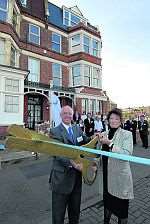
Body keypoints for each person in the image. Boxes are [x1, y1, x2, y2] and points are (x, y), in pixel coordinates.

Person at [49, 105, 92, 224]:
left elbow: (86, 140)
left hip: (77, 179)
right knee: (58, 216)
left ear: (72, 115)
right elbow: (57, 153)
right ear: (61, 115)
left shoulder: (77, 128)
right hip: (61, 180)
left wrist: (95, 138)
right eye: (65, 113)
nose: (67, 115)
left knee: (75, 213)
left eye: (69, 113)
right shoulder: (54, 131)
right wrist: (72, 163)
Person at [99, 108, 134, 224]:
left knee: (122, 211)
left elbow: (126, 154)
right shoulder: (104, 134)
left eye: (116, 118)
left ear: (120, 121)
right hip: (107, 178)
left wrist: (110, 143)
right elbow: (101, 154)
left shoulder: (127, 134)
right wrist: (95, 163)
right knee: (108, 205)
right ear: (108, 120)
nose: (113, 120)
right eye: (111, 118)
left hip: (120, 180)